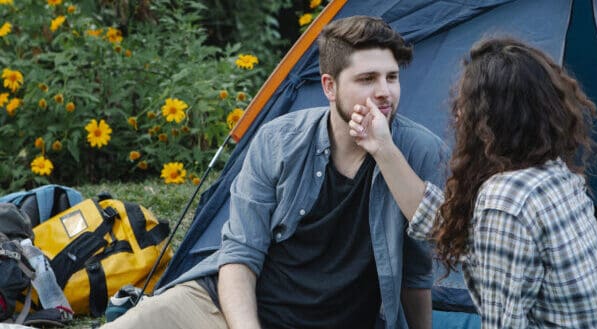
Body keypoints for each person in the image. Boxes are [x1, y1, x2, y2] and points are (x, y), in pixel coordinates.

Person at [103, 16, 448, 329]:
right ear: (329, 87)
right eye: (367, 79)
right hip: (230, 309)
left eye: (392, 78)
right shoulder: (278, 141)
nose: (384, 92)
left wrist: (385, 151)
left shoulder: (417, 151)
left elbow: (428, 254)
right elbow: (240, 253)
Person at [348, 37, 597, 328]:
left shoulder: (506, 200)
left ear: (489, 117)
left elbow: (503, 322)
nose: (458, 112)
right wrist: (382, 147)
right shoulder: (551, 173)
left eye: (466, 103)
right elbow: (446, 225)